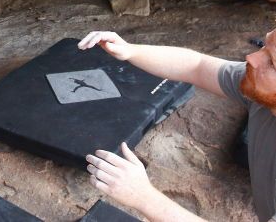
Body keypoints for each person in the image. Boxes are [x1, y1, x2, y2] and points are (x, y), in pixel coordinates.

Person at [77, 28, 276, 222]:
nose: (251, 58)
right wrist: (130, 50)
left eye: (272, 63)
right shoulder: (261, 88)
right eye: (265, 47)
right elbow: (197, 66)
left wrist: (143, 197)